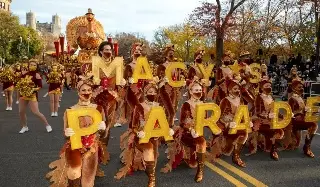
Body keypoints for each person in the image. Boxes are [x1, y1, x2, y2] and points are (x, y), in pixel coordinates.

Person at [46, 75, 109, 187]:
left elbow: (103, 136)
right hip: (75, 145)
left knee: (87, 183)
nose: (87, 92)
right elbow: (66, 133)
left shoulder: (98, 109)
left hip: (92, 148)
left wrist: (103, 129)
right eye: (83, 90)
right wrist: (66, 133)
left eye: (89, 90)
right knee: (74, 172)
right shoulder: (70, 111)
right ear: (78, 92)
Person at [116, 81, 172, 187]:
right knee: (149, 149)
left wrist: (168, 130)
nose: (152, 94)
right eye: (150, 92)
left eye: (154, 92)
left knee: (153, 158)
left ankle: (150, 171)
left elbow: (163, 123)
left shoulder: (160, 107)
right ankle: (152, 178)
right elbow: (133, 126)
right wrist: (138, 132)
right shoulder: (139, 107)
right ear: (145, 94)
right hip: (142, 136)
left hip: (155, 137)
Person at [162, 81, 207, 183]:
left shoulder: (203, 104)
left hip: (198, 133)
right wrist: (191, 130)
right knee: (201, 143)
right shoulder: (186, 105)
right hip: (186, 133)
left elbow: (206, 120)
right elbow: (183, 122)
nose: (199, 92)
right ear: (190, 92)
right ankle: (199, 170)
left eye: (200, 90)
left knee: (193, 163)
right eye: (196, 90)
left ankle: (196, 163)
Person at [16, 59, 52, 134]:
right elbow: (19, 83)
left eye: (34, 65)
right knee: (21, 111)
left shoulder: (37, 75)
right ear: (28, 65)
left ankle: (47, 125)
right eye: (31, 65)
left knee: (36, 112)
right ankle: (24, 126)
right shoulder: (24, 73)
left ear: (36, 67)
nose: (32, 66)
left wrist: (32, 89)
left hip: (32, 95)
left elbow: (40, 86)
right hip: (23, 95)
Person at [254, 78, 284, 160]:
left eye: (270, 86)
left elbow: (276, 110)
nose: (269, 87)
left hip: (272, 120)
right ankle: (273, 150)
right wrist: (267, 116)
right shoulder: (259, 98)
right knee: (275, 130)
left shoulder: (271, 97)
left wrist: (285, 116)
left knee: (281, 127)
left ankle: (272, 145)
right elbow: (257, 113)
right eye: (266, 86)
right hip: (261, 121)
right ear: (262, 88)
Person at [287, 79, 318, 157]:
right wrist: (300, 112)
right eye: (299, 87)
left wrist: (307, 110)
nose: (301, 89)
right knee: (313, 125)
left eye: (302, 87)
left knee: (313, 124)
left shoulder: (301, 98)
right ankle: (307, 148)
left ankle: (307, 146)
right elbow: (290, 113)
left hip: (301, 118)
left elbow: (303, 111)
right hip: (295, 120)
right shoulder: (292, 99)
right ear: (294, 88)